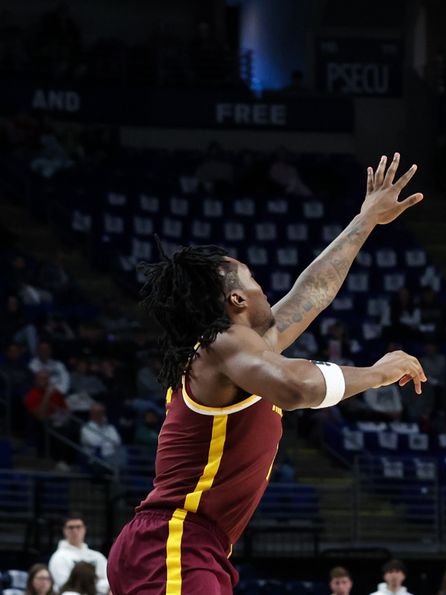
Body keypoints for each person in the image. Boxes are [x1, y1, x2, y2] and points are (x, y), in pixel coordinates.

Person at [107, 153, 427, 595]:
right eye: (253, 279)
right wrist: (376, 374)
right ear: (236, 301)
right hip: (175, 543)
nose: (263, 287)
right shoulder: (224, 345)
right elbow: (297, 387)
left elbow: (311, 292)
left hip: (189, 545)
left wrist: (365, 219)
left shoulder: (236, 354)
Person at [48, 512, 109, 594]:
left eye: (78, 527)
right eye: (71, 527)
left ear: (84, 529)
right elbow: (65, 586)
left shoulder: (97, 556)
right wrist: (96, 582)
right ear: (64, 530)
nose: (75, 530)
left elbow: (110, 583)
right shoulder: (58, 557)